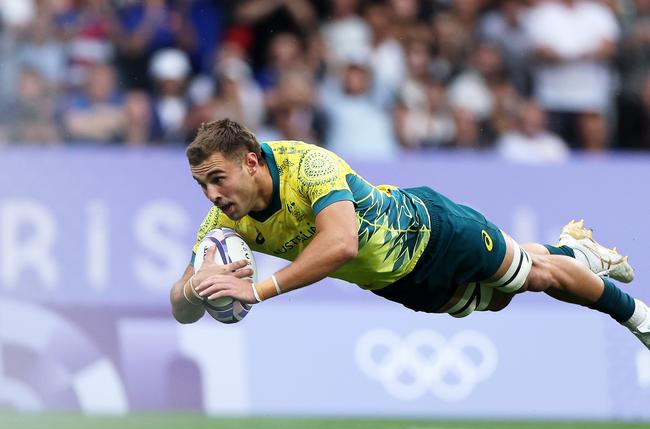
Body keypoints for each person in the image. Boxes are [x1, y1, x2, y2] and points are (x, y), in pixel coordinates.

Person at [170, 119, 650, 351]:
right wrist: (199, 286)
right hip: (399, 282)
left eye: (218, 178)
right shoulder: (224, 223)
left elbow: (341, 244)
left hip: (432, 229)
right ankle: (575, 250)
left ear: (251, 162)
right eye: (202, 185)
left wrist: (256, 289)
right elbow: (180, 306)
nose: (212, 194)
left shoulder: (306, 164)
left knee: (538, 278)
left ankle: (639, 321)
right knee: (501, 296)